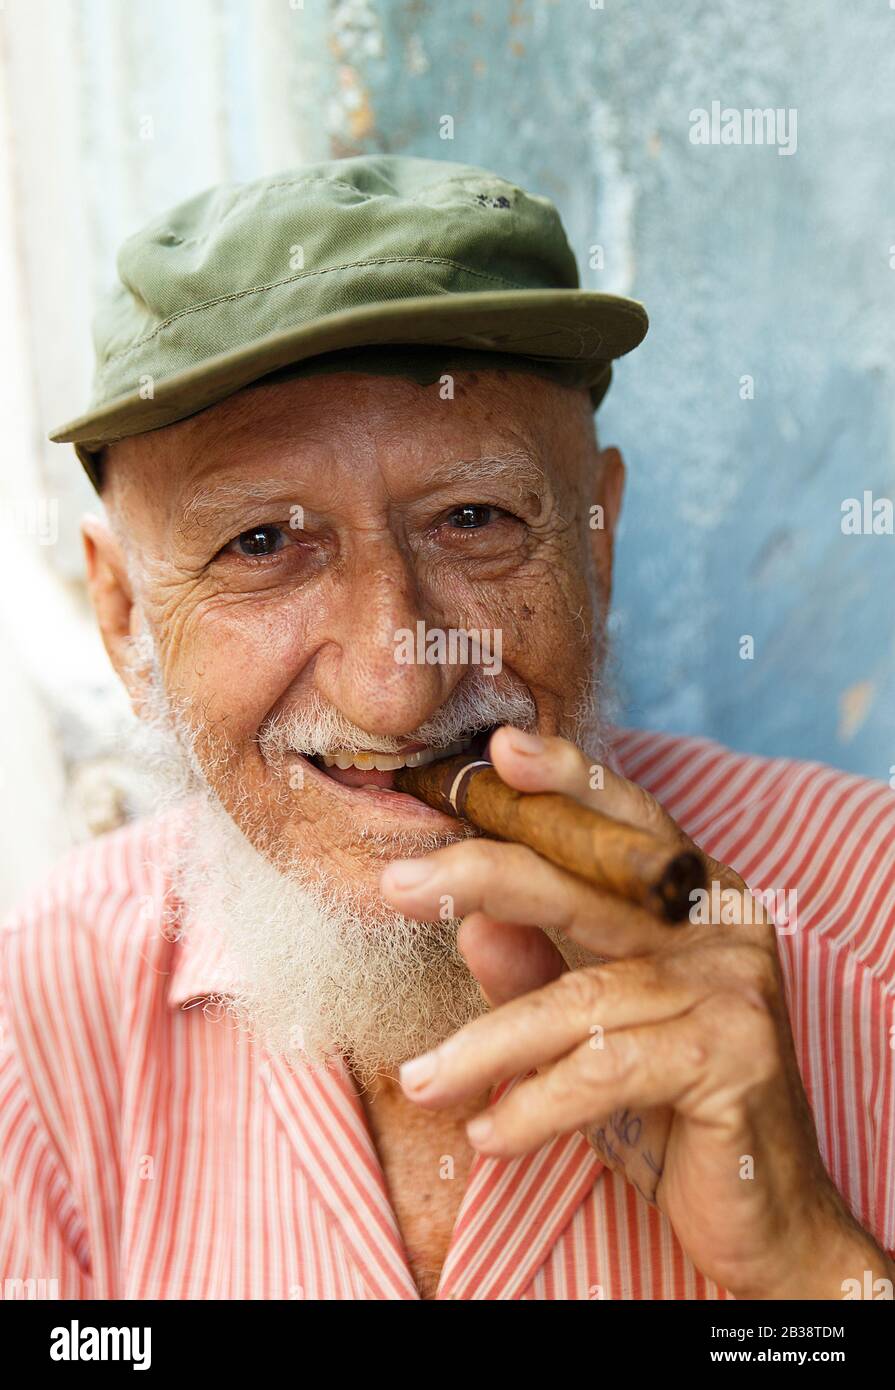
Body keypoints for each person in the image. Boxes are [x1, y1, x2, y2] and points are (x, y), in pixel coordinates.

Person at [2, 156, 892, 1301]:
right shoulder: (50, 1001)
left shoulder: (870, 922)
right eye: (263, 543)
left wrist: (813, 1271)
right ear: (125, 622)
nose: (398, 690)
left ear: (597, 545)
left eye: (473, 518)